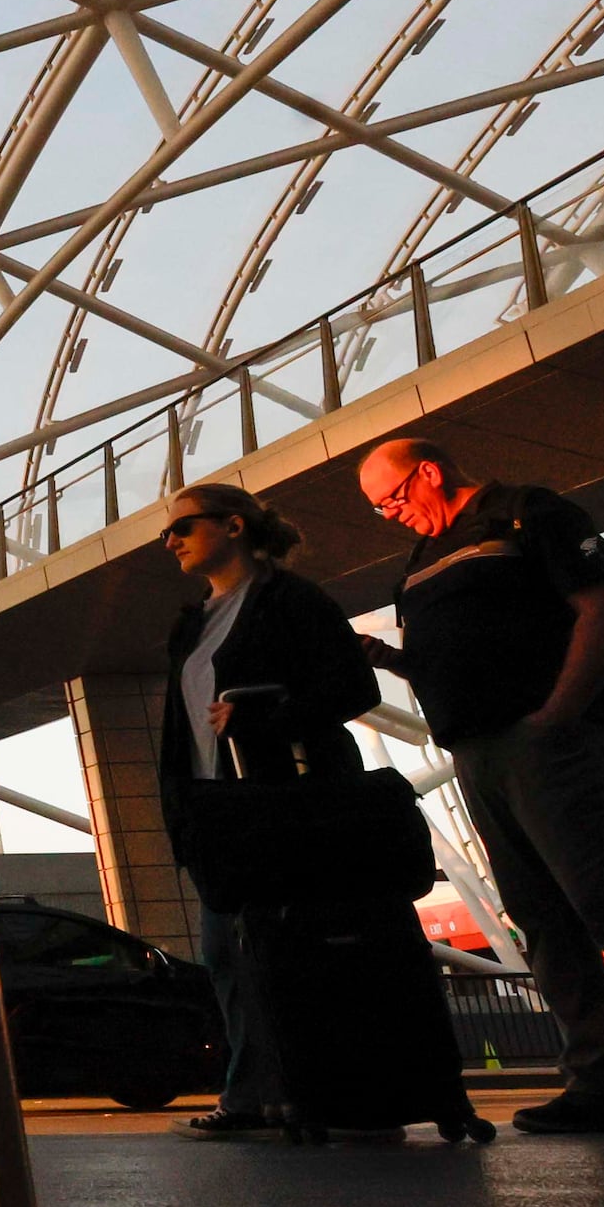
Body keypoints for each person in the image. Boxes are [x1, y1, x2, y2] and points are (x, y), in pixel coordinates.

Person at [354, 435, 604, 1135]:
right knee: (540, 916)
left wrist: (557, 716)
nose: (389, 514)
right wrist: (390, 658)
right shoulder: (420, 560)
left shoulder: (528, 514)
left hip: (555, 745)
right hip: (479, 752)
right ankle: (594, 1084)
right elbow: (460, 658)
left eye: (392, 497)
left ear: (431, 473)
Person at [151, 483, 379, 1138]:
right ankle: (257, 1090)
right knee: (225, 951)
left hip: (282, 803)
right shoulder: (191, 621)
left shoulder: (291, 600)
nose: (171, 541)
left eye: (183, 526)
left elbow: (351, 687)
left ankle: (299, 1088)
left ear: (232, 526)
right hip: (216, 807)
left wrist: (270, 716)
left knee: (286, 945)